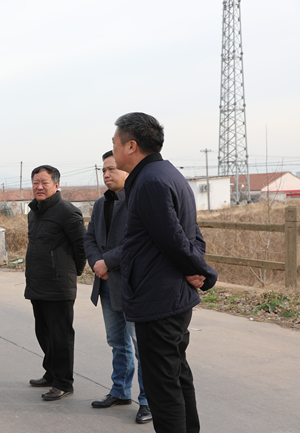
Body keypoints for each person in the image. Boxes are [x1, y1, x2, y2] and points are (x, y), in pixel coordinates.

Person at [112, 112, 218, 433]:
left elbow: (173, 238)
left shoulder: (150, 181)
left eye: (115, 142)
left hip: (158, 299)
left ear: (131, 146)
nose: (113, 149)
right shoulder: (167, 174)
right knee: (177, 375)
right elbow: (191, 234)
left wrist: (202, 272)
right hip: (171, 296)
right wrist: (194, 268)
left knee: (162, 387)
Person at [84, 151, 151, 424]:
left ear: (126, 170)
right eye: (103, 170)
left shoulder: (138, 201)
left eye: (111, 168)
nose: (107, 174)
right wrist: (96, 263)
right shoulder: (101, 203)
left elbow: (138, 243)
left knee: (141, 345)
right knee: (117, 343)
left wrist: (107, 262)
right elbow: (89, 238)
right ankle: (120, 390)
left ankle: (148, 401)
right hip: (106, 284)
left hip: (132, 285)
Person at [24, 165, 86, 401]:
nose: (39, 187)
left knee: (60, 336)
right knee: (43, 332)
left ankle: (63, 382)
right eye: (35, 183)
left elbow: (81, 247)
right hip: (37, 281)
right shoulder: (34, 212)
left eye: (44, 183)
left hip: (59, 285)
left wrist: (71, 273)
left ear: (57, 185)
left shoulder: (67, 212)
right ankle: (51, 373)